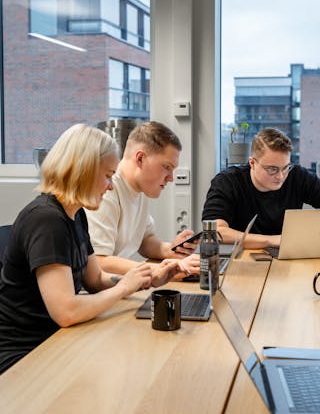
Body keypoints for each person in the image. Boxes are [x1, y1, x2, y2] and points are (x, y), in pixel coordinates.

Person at [0, 124, 191, 374]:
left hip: (56, 339)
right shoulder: (46, 220)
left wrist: (145, 281)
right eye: (108, 175)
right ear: (82, 171)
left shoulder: (75, 214)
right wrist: (124, 287)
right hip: (26, 351)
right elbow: (66, 311)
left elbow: (96, 279)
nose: (111, 186)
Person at [86, 121, 200, 276]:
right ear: (140, 159)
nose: (171, 178)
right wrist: (163, 269)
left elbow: (145, 240)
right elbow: (99, 261)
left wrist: (172, 250)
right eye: (167, 167)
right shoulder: (106, 191)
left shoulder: (140, 189)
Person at [202, 127, 320, 249]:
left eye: (285, 168)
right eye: (272, 169)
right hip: (243, 258)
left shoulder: (298, 177)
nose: (280, 176)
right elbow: (214, 232)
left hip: (288, 254)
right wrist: (273, 241)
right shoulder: (228, 181)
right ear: (252, 163)